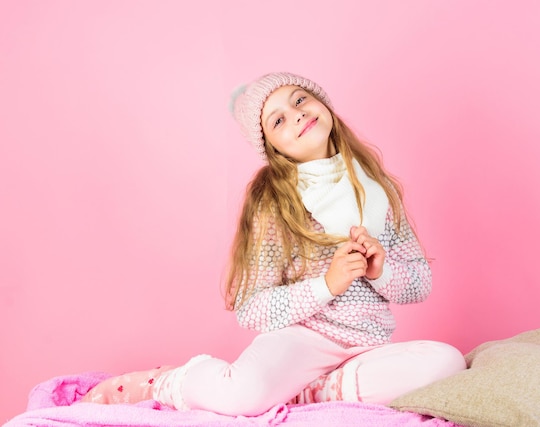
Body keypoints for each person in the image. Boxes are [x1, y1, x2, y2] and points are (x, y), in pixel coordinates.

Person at [80, 71, 466, 415]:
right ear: (273, 148)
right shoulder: (276, 203)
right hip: (301, 343)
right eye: (278, 120)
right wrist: (326, 285)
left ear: (323, 104)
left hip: (367, 347)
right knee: (241, 395)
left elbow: (420, 283)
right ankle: (170, 382)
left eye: (300, 100)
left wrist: (382, 271)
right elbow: (251, 309)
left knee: (447, 362)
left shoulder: (378, 191)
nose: (297, 114)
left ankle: (315, 393)